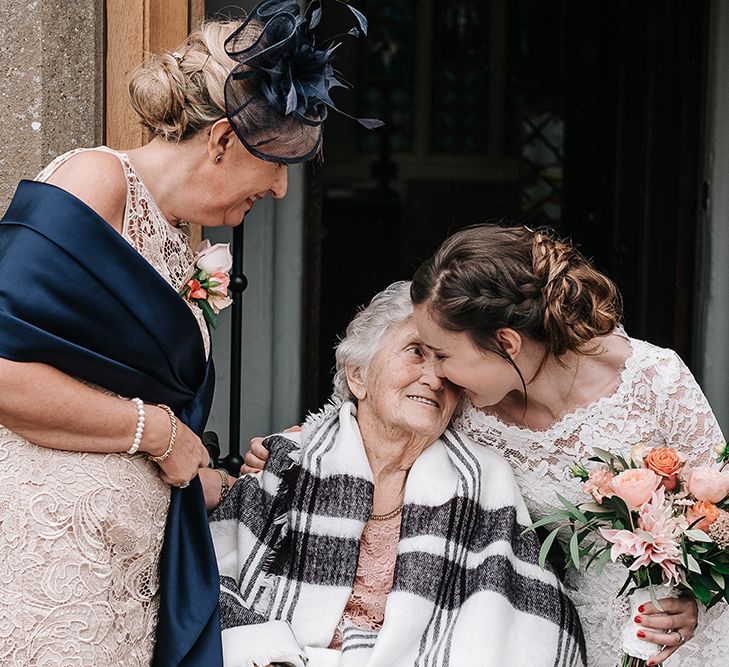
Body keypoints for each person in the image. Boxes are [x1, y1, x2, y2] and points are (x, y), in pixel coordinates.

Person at [0, 1, 375, 663]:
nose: (282, 189)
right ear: (223, 140)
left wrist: (205, 477)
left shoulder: (177, 238)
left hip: (123, 563)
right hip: (48, 560)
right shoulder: (97, 178)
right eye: (276, 161)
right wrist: (162, 434)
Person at [203, 281, 586, 667]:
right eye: (416, 353)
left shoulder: (485, 480)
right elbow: (209, 575)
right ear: (358, 376)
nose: (435, 378)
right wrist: (266, 654)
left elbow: (530, 617)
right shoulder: (291, 460)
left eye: (445, 363)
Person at [406, 223, 728, 666]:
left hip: (690, 638)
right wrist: (292, 443)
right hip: (574, 638)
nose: (436, 374)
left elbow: (723, 512)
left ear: (506, 343)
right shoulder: (465, 415)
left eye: (442, 354)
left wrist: (696, 597)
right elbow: (379, 427)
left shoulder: (653, 378)